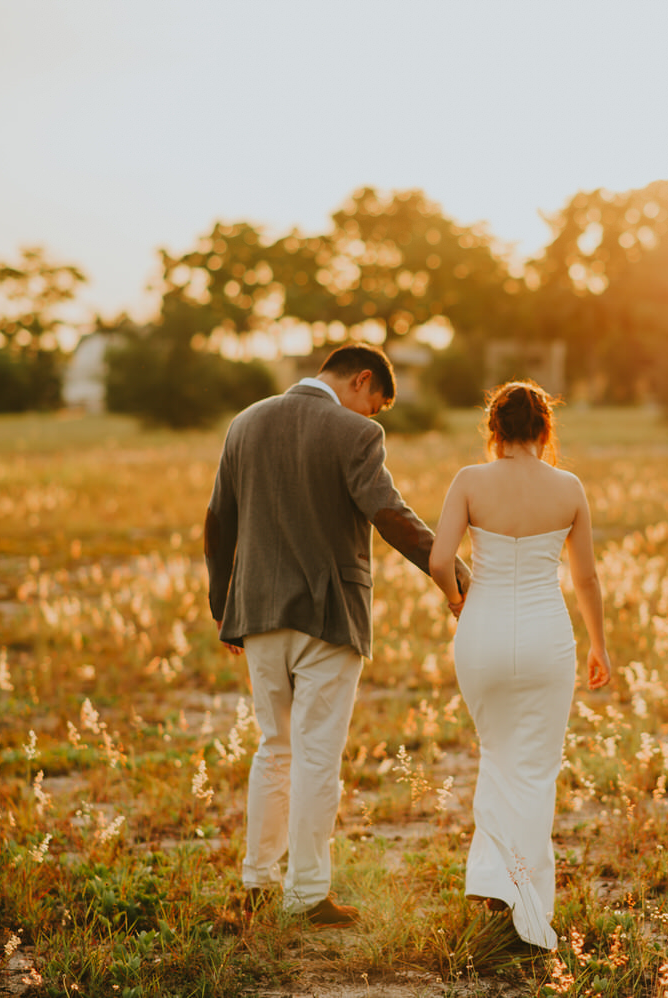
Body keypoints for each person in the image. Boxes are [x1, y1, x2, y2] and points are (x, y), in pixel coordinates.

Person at [205, 343, 468, 927]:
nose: (370, 418)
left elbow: (219, 518)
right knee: (318, 755)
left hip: (257, 611)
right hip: (328, 616)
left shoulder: (245, 422)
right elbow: (390, 513)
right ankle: (306, 893)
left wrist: (224, 602)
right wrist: (454, 574)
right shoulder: (354, 434)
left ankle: (255, 880)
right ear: (362, 382)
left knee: (274, 747)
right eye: (374, 406)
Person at [429, 380, 611, 951]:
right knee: (533, 766)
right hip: (545, 636)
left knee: (497, 752)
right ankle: (522, 895)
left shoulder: (469, 480)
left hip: (481, 634)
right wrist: (599, 644)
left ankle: (494, 883)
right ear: (544, 429)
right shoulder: (569, 487)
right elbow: (585, 578)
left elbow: (439, 561)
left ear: (495, 429)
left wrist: (460, 603)